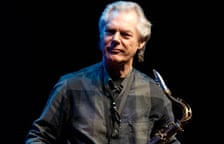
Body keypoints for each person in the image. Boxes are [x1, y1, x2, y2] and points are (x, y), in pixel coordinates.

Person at [25, 1, 181, 144]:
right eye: (110, 32)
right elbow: (38, 137)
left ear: (141, 42)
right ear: (101, 36)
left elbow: (170, 141)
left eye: (125, 34)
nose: (115, 39)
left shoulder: (155, 92)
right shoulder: (69, 86)